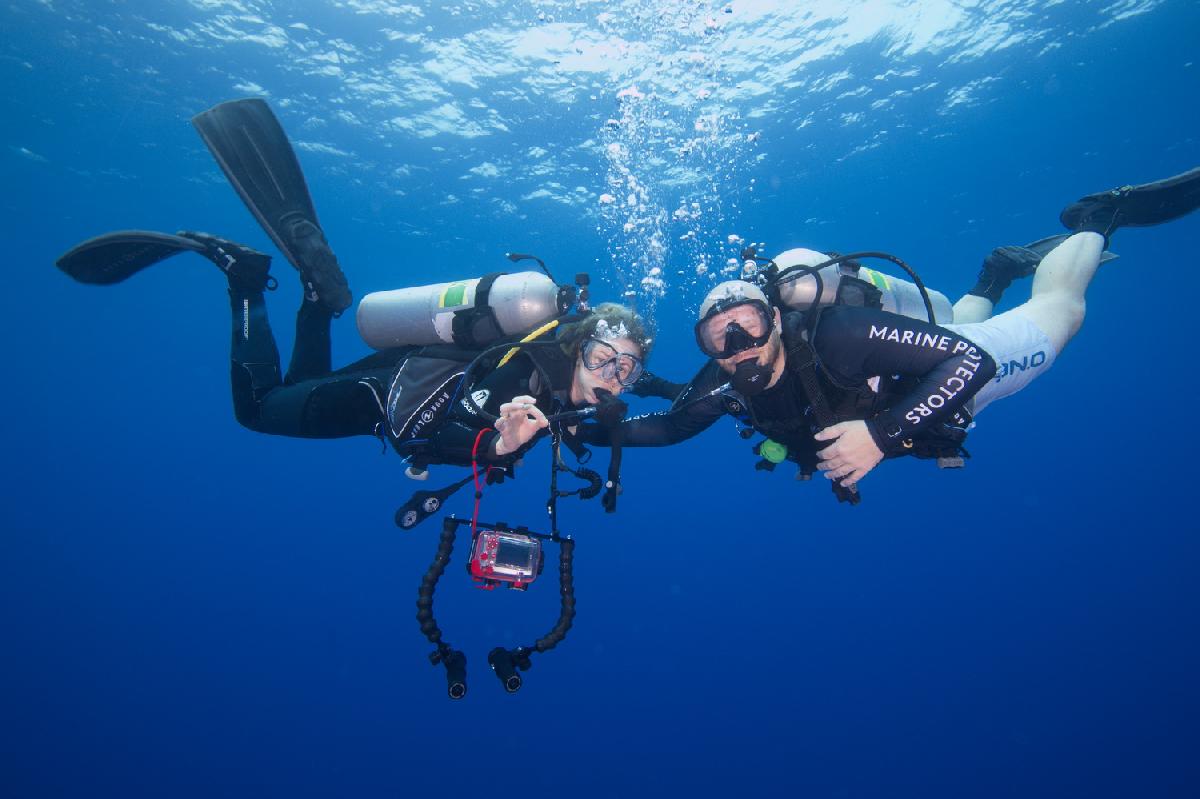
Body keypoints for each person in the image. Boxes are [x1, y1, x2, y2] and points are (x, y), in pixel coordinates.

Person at [582, 167, 1200, 497]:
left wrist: (880, 436)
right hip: (923, 352)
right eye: (719, 339)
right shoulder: (724, 384)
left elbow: (968, 364)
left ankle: (1096, 220)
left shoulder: (841, 337)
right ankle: (996, 271)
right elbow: (668, 427)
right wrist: (576, 431)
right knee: (954, 317)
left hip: (956, 374)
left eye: (746, 325)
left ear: (774, 319)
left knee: (1062, 315)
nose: (736, 347)